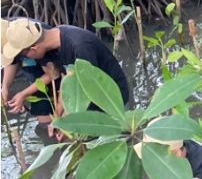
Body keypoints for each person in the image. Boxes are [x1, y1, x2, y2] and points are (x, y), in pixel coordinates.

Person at [1, 18, 130, 113]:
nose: (26, 59)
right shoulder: (53, 45)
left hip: (112, 101)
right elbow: (67, 79)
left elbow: (87, 89)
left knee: (120, 143)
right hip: (90, 103)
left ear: (34, 49)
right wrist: (59, 117)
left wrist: (67, 119)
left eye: (24, 55)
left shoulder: (80, 47)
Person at [1, 18, 59, 125]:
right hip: (35, 82)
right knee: (44, 125)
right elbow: (11, 62)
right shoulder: (8, 40)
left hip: (55, 79)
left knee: (59, 122)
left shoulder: (28, 34)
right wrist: (5, 87)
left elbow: (53, 73)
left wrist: (23, 94)